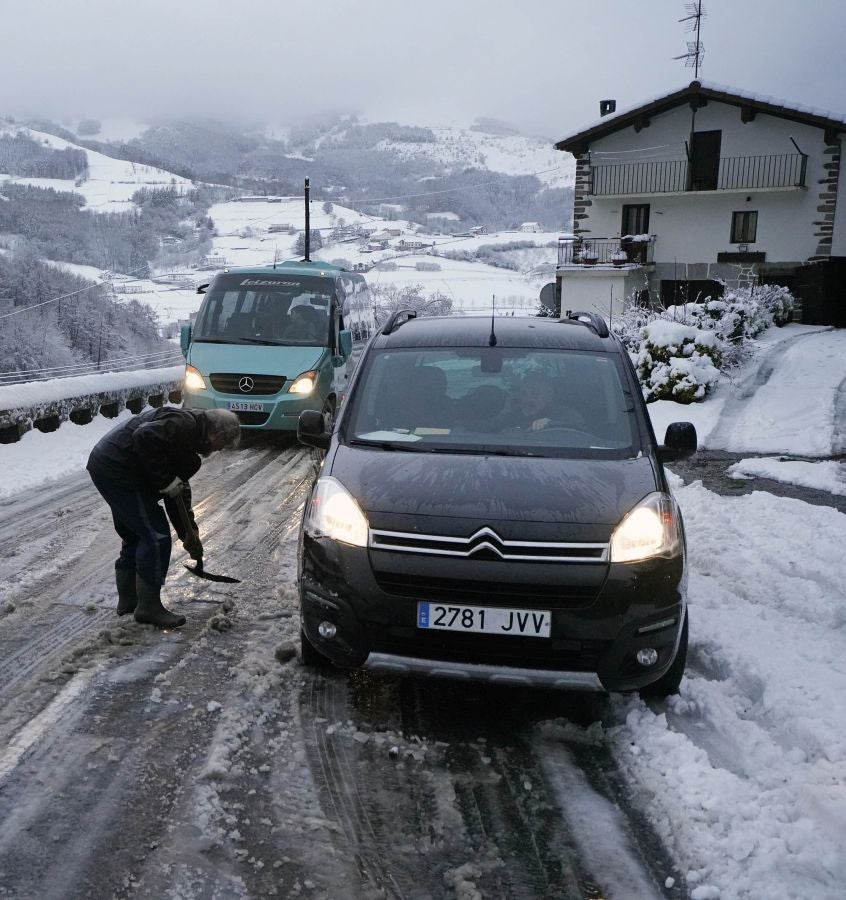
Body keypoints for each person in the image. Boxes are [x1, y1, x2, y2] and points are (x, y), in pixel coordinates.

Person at [86, 407, 241, 628]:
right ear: (218, 434)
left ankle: (129, 600)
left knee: (136, 535)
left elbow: (177, 492)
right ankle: (148, 608)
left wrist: (189, 533)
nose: (220, 450)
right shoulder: (184, 424)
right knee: (155, 535)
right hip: (117, 468)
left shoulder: (190, 443)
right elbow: (143, 436)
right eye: (223, 445)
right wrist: (165, 480)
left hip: (109, 463)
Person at [501, 372, 587, 432]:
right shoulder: (514, 413)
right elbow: (490, 432)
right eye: (523, 394)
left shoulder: (567, 415)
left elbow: (582, 435)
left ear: (549, 395)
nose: (527, 399)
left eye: (535, 393)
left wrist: (553, 423)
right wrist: (504, 413)